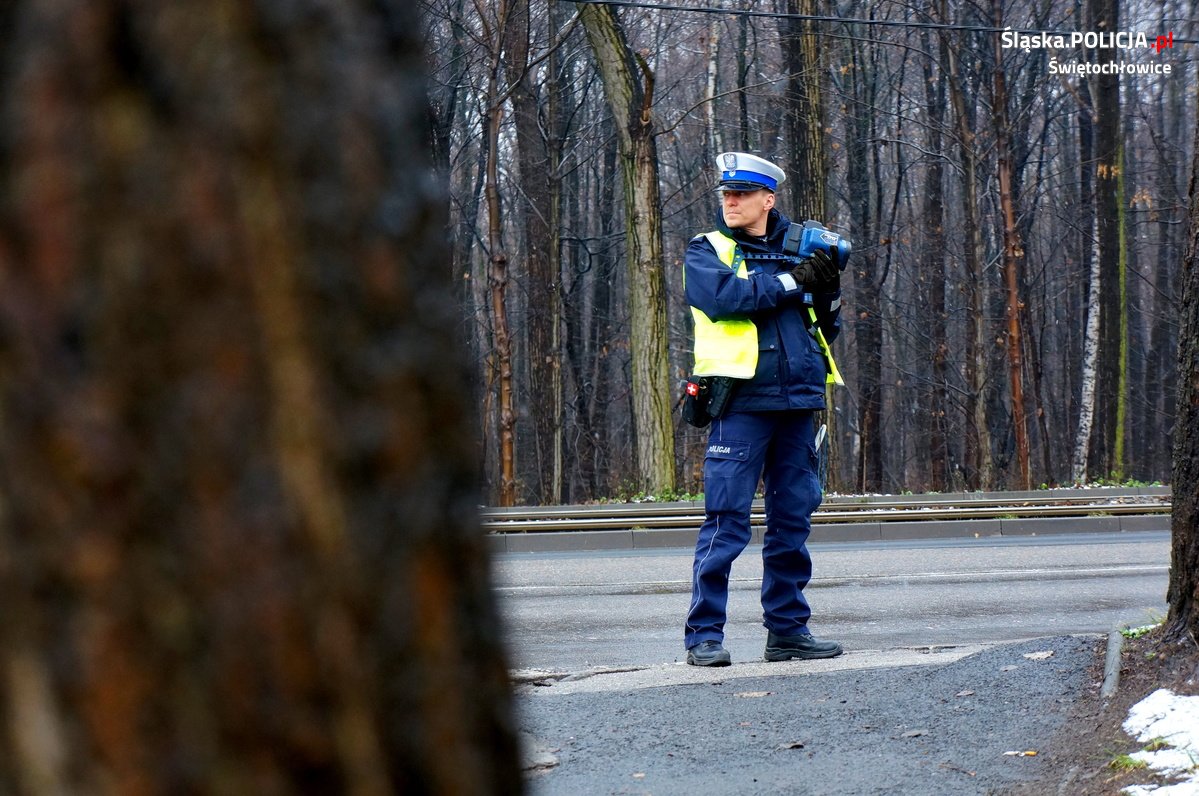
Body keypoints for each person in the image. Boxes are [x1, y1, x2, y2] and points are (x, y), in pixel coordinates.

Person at [683, 152, 844, 667]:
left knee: (792, 521)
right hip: (741, 404)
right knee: (726, 520)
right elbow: (726, 299)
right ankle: (704, 637)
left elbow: (824, 326)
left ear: (767, 200)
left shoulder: (802, 249)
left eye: (741, 194)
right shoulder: (707, 249)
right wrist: (796, 282)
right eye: (726, 195)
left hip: (799, 399)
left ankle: (788, 632)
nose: (730, 202)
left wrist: (827, 285)